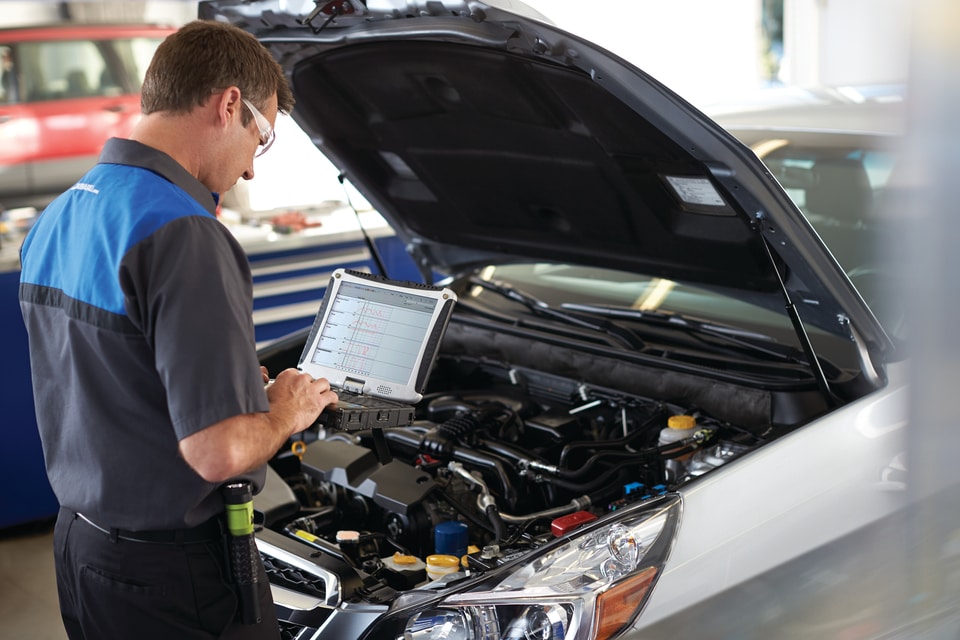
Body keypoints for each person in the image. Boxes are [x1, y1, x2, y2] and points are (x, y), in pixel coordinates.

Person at [18, 20, 338, 640]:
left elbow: (111, 376)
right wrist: (282, 411)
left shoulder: (64, 211)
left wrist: (229, 386)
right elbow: (217, 453)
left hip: (82, 549)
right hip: (170, 577)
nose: (251, 171)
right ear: (227, 105)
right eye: (262, 138)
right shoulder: (185, 234)